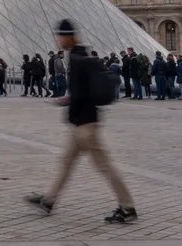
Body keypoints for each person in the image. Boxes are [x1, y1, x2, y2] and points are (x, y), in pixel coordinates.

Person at [25, 19, 137, 224]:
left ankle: (127, 207)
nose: (58, 40)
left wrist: (66, 101)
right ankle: (49, 200)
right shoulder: (82, 55)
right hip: (81, 124)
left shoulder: (76, 59)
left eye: (61, 36)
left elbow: (78, 93)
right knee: (66, 162)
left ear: (69, 37)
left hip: (85, 126)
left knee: (105, 167)